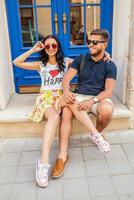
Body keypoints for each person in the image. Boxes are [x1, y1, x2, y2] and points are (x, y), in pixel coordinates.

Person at [51, 29, 117, 179]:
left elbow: (108, 92)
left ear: (105, 44)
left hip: (97, 98)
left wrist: (92, 101)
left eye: (95, 42)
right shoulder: (80, 59)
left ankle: (96, 134)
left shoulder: (110, 65)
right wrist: (66, 91)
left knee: (107, 109)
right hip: (79, 96)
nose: (90, 45)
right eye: (89, 42)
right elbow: (66, 80)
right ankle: (62, 155)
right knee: (67, 110)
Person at [13, 35, 69, 188]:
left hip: (60, 96)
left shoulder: (65, 62)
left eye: (54, 45)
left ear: (58, 47)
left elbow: (87, 60)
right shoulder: (40, 65)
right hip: (45, 97)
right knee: (54, 117)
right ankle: (43, 162)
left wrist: (106, 55)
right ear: (44, 48)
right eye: (47, 46)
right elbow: (16, 62)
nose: (50, 48)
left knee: (68, 111)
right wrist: (33, 49)